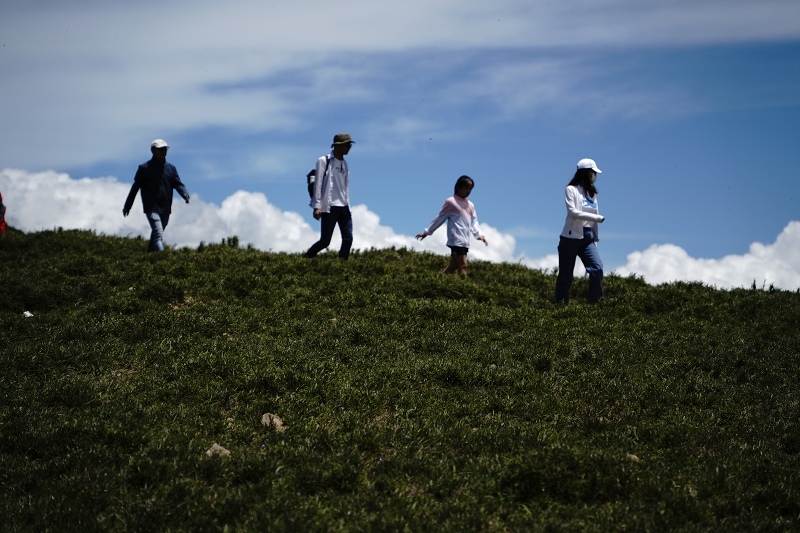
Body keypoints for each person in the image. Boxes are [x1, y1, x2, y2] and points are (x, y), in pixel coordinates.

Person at [123, 139, 190, 252]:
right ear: (153, 150)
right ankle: (164, 258)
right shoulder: (144, 168)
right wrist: (127, 205)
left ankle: (148, 258)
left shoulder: (171, 168)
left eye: (164, 149)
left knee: (155, 235)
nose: (163, 152)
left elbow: (177, 184)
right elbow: (135, 188)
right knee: (158, 233)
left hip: (166, 207)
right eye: (160, 149)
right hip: (151, 207)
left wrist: (184, 194)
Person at [555, 158, 606, 304]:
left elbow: (593, 220)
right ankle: (561, 306)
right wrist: (597, 218)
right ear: (586, 173)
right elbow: (573, 212)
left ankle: (594, 305)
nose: (594, 176)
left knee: (597, 269)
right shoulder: (571, 190)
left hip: (588, 237)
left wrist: (595, 238)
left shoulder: (592, 194)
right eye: (593, 172)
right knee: (566, 275)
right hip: (570, 237)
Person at [416, 175, 488, 277]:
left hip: (465, 241)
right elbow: (440, 218)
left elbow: (474, 221)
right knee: (463, 266)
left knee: (453, 266)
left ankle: (436, 282)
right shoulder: (451, 202)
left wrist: (479, 235)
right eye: (466, 188)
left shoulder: (470, 205)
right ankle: (463, 289)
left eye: (470, 189)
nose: (468, 191)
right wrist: (427, 232)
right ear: (459, 187)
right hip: (456, 239)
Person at [305, 132, 355, 260]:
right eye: (347, 145)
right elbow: (318, 184)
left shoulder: (346, 164)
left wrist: (348, 206)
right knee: (325, 241)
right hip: (329, 206)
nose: (349, 147)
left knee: (348, 238)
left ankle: (342, 264)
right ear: (339, 146)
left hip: (344, 206)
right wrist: (317, 206)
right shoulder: (324, 161)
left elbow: (345, 188)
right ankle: (306, 258)